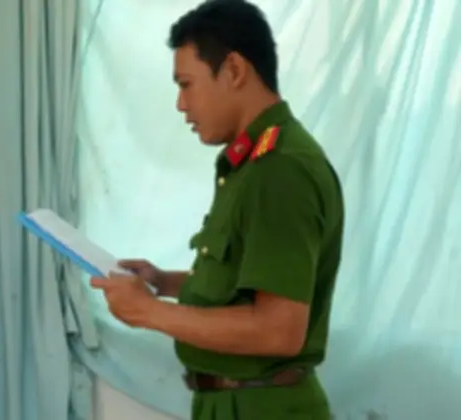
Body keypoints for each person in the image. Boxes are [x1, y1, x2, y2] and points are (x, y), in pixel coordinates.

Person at [90, 1, 345, 419]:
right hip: (233, 405)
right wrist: (163, 282)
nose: (180, 104)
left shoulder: (280, 169)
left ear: (234, 70)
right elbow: (244, 282)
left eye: (186, 84)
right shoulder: (250, 164)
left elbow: (279, 330)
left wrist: (150, 313)